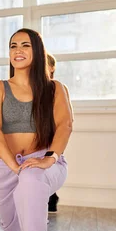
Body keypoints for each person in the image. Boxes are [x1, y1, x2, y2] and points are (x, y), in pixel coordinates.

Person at [0, 28, 73, 231]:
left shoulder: (55, 88)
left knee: (32, 180)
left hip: (43, 162)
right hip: (7, 164)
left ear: (37, 51)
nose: (18, 51)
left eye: (25, 45)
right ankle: (23, 225)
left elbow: (65, 125)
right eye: (13, 46)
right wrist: (14, 167)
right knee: (9, 223)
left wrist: (50, 158)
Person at [46, 54, 73, 214]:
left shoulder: (58, 88)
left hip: (54, 134)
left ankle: (50, 196)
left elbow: (68, 118)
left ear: (52, 68)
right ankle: (49, 196)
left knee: (50, 164)